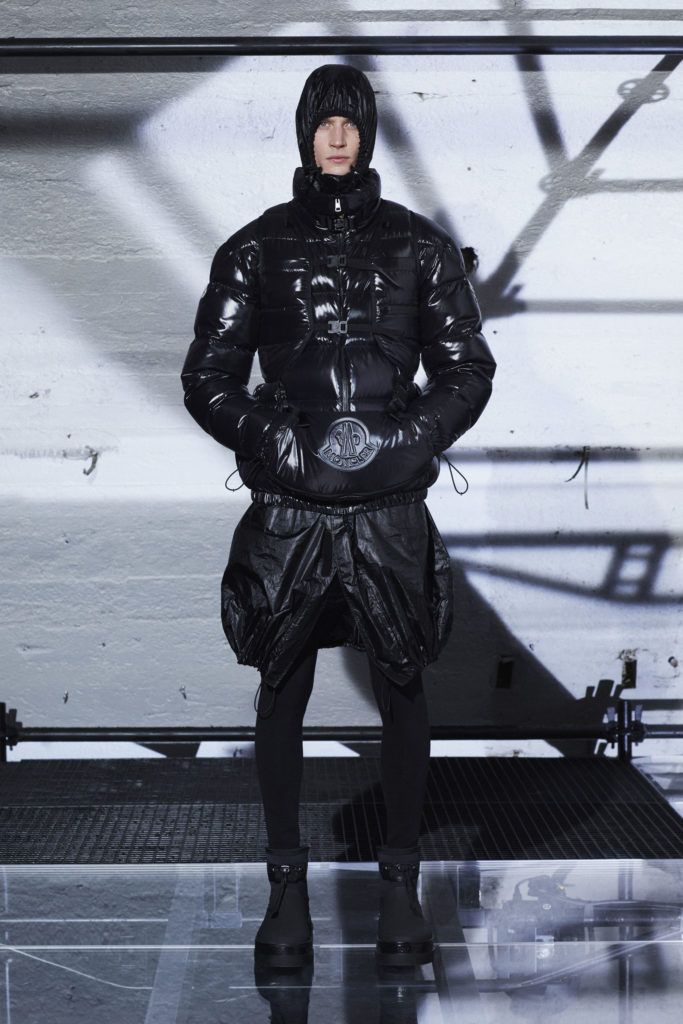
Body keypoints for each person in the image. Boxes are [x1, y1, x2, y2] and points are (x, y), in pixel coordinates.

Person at [182, 64, 495, 969]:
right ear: (303, 131)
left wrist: (407, 440)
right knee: (282, 685)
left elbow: (466, 369)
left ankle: (399, 884)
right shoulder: (254, 249)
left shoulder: (420, 248)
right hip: (290, 508)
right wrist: (274, 442)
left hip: (387, 506)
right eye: (323, 122)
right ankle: (285, 889)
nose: (337, 137)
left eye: (350, 122)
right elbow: (206, 377)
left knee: (402, 683)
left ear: (368, 133)